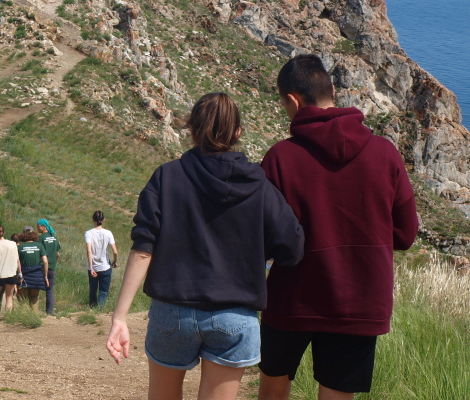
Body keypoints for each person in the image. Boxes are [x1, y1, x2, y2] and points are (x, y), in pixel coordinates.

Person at [106, 92, 305, 400]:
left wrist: (120, 317)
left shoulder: (166, 176)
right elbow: (292, 248)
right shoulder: (260, 186)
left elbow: (143, 249)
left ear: (192, 129)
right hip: (234, 315)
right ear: (237, 133)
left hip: (172, 312)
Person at [258, 55, 418, 400]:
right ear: (332, 91)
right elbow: (406, 235)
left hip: (291, 297)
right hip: (359, 300)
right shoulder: (385, 153)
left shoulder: (279, 158)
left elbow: (264, 237)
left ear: (292, 101)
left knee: (273, 386)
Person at [85, 210, 117, 307]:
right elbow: (115, 252)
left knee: (93, 290)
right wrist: (115, 261)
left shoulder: (88, 233)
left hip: (93, 267)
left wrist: (91, 268)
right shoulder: (108, 233)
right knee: (103, 291)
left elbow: (89, 251)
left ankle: (92, 309)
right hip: (105, 266)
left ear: (93, 219)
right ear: (103, 220)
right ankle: (100, 310)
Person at [16, 230, 49, 311]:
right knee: (34, 297)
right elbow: (45, 262)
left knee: (23, 299)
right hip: (36, 277)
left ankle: (25, 316)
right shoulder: (39, 245)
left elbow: (17, 262)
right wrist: (45, 276)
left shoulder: (20, 247)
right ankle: (35, 316)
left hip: (24, 277)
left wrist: (19, 274)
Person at [37, 219, 60, 315]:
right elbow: (58, 254)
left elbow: (39, 253)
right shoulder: (54, 237)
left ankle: (34, 310)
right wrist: (54, 262)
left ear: (44, 226)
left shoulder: (41, 238)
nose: (37, 228)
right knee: (50, 290)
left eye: (39, 226)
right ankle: (49, 311)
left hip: (42, 266)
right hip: (52, 267)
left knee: (36, 288)